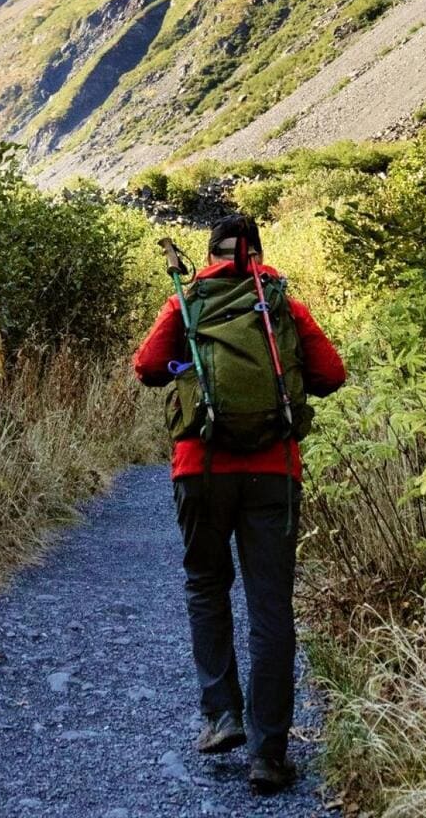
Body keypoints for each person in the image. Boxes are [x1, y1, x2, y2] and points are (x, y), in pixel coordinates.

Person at [133, 213, 345, 794]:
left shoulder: (186, 301)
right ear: (258, 254)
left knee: (207, 585)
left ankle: (221, 715)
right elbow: (332, 374)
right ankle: (269, 754)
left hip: (200, 470)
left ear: (210, 254)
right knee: (270, 606)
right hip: (274, 473)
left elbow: (147, 368)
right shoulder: (282, 305)